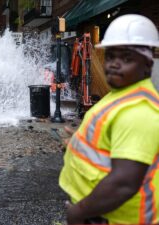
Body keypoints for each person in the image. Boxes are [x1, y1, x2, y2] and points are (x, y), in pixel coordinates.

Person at [59, 14, 159, 224]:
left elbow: (123, 183)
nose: (114, 64)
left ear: (147, 65)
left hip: (121, 218)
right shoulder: (122, 95)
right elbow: (111, 140)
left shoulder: (140, 112)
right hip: (102, 211)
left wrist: (80, 211)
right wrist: (81, 143)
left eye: (127, 58)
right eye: (111, 56)